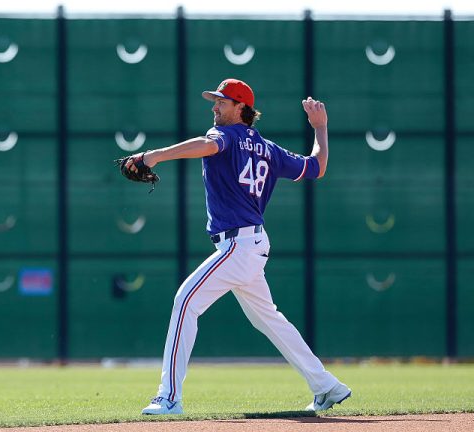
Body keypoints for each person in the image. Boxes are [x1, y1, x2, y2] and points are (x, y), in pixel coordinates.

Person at [129, 79, 351, 415]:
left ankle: (169, 397)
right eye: (215, 102)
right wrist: (320, 128)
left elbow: (207, 145)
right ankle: (326, 386)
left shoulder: (226, 135)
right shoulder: (271, 150)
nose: (215, 107)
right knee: (270, 320)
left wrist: (153, 156)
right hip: (251, 244)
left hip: (238, 245)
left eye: (222, 102)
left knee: (185, 301)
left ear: (241, 108)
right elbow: (316, 166)